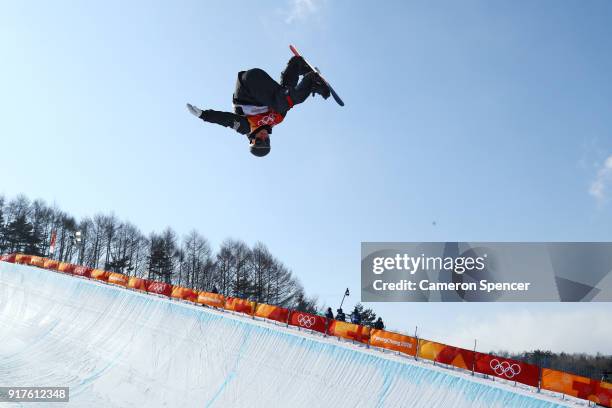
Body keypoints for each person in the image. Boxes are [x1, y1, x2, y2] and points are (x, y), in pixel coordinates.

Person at [187, 56, 330, 157]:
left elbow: (226, 120)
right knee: (285, 101)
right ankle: (296, 65)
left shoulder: (246, 127)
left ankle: (312, 81)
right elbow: (288, 97)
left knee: (283, 103)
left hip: (248, 86)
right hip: (260, 85)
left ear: (251, 140)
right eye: (266, 141)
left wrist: (204, 115)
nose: (263, 137)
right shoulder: (276, 120)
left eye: (259, 141)